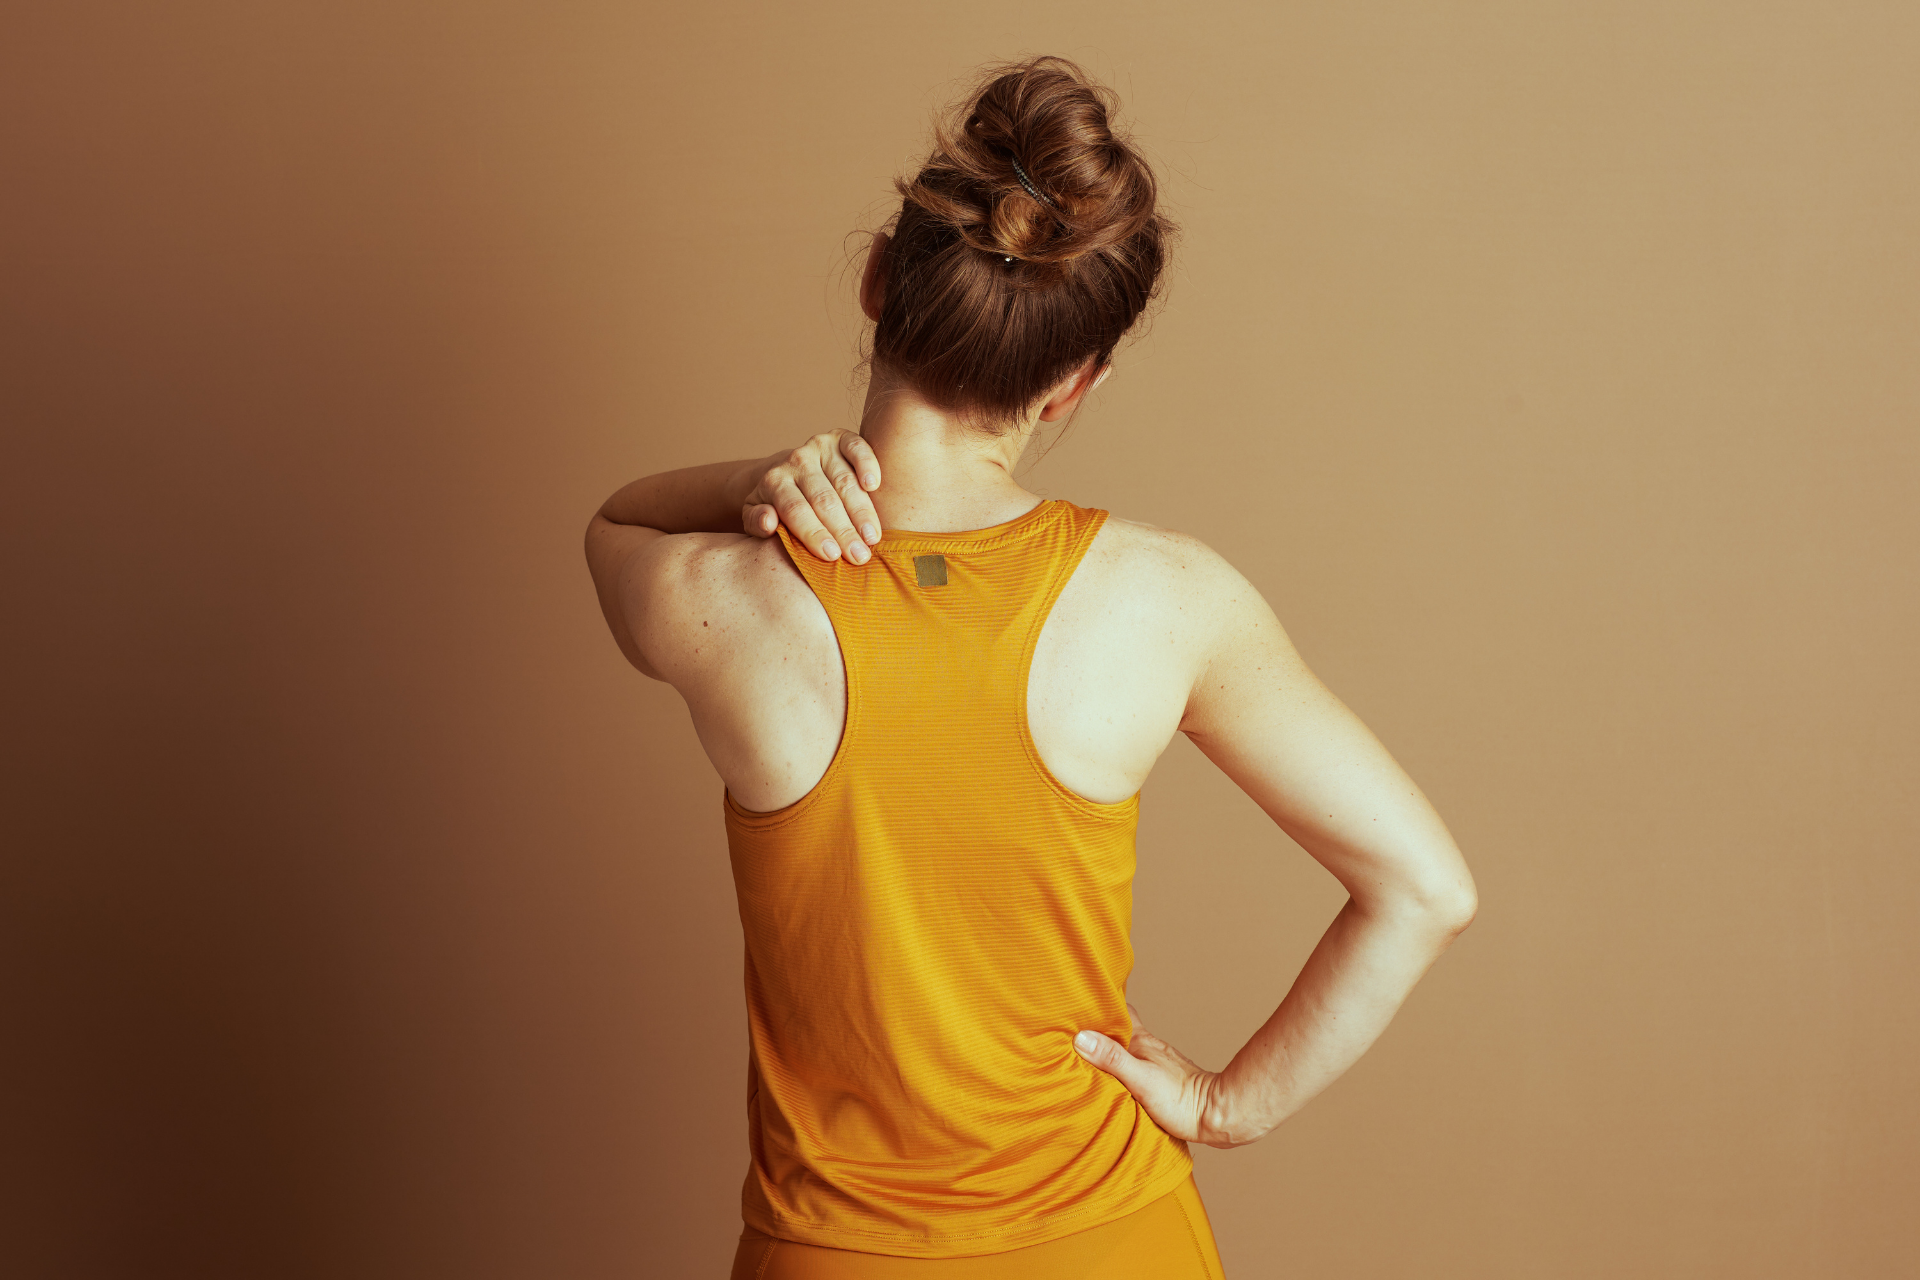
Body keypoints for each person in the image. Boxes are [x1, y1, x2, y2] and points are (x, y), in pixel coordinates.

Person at [585, 56, 1476, 1279]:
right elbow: (1425, 887)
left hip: (833, 1255)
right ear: (1073, 384)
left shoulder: (724, 598)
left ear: (876, 280)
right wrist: (1227, 1106)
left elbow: (614, 526)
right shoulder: (1170, 601)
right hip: (1119, 1240)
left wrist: (752, 484)